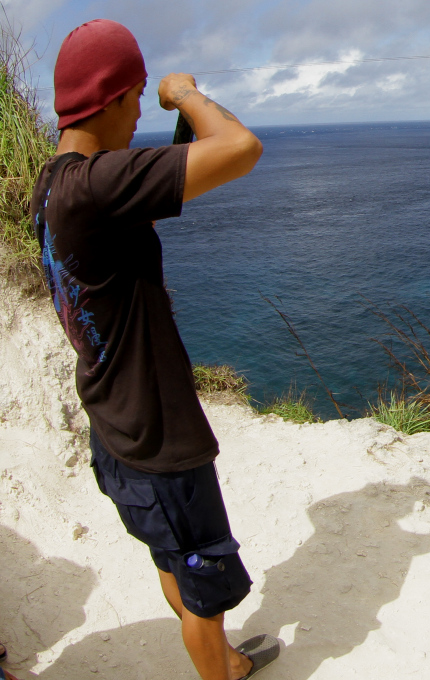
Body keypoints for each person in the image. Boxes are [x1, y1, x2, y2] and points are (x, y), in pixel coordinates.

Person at [30, 20, 277, 680]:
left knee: (170, 556)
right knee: (202, 578)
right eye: (137, 98)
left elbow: (148, 207)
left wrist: (170, 124)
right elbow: (241, 147)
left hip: (113, 424)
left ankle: (221, 657)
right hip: (158, 436)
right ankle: (222, 670)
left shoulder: (56, 186)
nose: (143, 110)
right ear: (110, 99)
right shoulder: (100, 185)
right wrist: (184, 93)